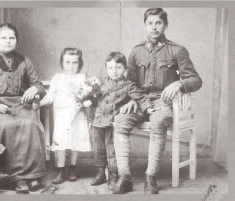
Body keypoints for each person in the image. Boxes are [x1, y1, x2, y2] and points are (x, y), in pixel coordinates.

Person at [112, 8, 202, 194]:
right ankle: (125, 177)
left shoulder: (177, 50)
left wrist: (178, 84)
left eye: (158, 23)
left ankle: (150, 177)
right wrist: (137, 101)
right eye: (150, 23)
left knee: (158, 121)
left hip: (165, 103)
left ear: (165, 25)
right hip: (140, 101)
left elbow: (195, 80)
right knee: (120, 121)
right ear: (145, 26)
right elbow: (130, 82)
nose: (154, 27)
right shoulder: (136, 52)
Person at [0, 23, 47, 194]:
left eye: (12, 38)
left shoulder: (24, 61)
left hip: (19, 104)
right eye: (3, 38)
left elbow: (39, 85)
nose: (8, 41)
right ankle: (17, 178)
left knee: (31, 123)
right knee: (6, 126)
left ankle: (33, 175)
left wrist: (34, 88)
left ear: (16, 41)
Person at [36, 47, 91, 184]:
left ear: (79, 64)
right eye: (68, 62)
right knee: (60, 142)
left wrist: (85, 103)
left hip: (78, 115)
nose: (71, 66)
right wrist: (38, 104)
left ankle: (73, 167)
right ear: (62, 63)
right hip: (61, 115)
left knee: (74, 141)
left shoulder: (82, 78)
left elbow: (88, 96)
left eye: (74, 63)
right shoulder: (58, 78)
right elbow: (50, 96)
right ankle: (60, 169)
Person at [90, 52, 143, 192]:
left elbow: (139, 97)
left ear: (125, 69)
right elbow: (94, 99)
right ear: (106, 68)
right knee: (98, 148)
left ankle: (113, 175)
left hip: (112, 120)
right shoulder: (100, 83)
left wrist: (138, 103)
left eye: (118, 68)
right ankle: (101, 173)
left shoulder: (128, 85)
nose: (114, 71)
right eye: (111, 68)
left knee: (111, 148)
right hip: (98, 118)